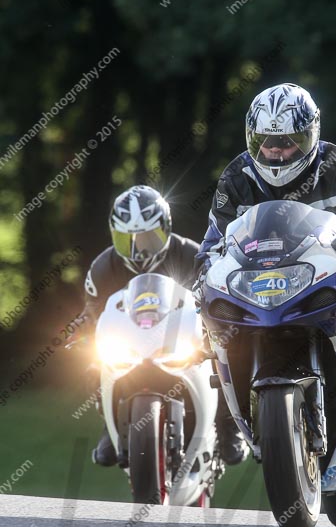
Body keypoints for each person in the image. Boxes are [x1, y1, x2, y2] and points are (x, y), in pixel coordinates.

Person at [196, 83, 336, 422]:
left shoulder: (335, 166)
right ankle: (229, 414)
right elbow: (212, 245)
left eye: (288, 141)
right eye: (265, 141)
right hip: (256, 283)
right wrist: (204, 281)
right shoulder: (236, 177)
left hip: (331, 275)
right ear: (251, 138)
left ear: (311, 135)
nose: (276, 152)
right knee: (210, 327)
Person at [77, 185, 246, 466]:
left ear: (165, 229)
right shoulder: (103, 267)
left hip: (182, 339)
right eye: (126, 240)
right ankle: (110, 424)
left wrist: (217, 330)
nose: (137, 249)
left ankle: (228, 425)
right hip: (129, 344)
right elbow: (93, 310)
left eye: (147, 238)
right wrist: (81, 330)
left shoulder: (192, 255)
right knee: (93, 366)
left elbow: (217, 298)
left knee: (223, 360)